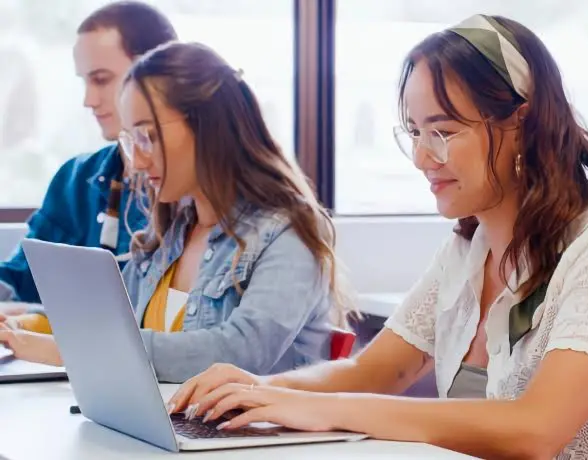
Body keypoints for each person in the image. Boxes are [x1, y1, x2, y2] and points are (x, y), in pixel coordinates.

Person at [167, 14, 588, 459]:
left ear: (521, 127)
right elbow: (372, 371)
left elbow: (537, 430)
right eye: (414, 132)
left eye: (443, 132)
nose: (422, 157)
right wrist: (256, 388)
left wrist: (322, 410)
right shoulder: (466, 252)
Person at [0, 41, 351, 383]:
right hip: (172, 430)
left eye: (148, 137)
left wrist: (65, 349)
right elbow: (113, 323)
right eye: (131, 141)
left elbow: (239, 352)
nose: (136, 162)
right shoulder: (170, 233)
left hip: (255, 439)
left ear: (206, 126)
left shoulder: (286, 234)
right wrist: (24, 324)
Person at [0, 1, 178, 325]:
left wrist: (35, 318)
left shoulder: (189, 192)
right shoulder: (75, 179)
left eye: (101, 79)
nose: (88, 100)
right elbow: (20, 279)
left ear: (157, 76)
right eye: (84, 81)